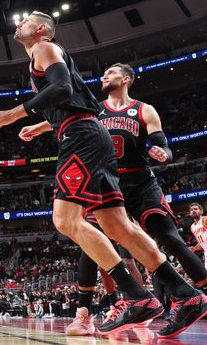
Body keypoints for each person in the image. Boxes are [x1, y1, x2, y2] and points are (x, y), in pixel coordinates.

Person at [0, 11, 207, 337]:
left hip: (81, 139)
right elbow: (83, 99)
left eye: (27, 19)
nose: (19, 24)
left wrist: (15, 114)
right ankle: (185, 295)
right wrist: (43, 124)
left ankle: (136, 296)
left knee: (66, 220)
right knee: (116, 225)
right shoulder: (44, 54)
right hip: (93, 135)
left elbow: (62, 88)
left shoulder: (44, 47)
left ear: (42, 29)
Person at [54, 63, 207, 336]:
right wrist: (37, 125)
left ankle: (197, 296)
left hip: (140, 181)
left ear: (125, 79)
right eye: (103, 73)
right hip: (106, 180)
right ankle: (84, 315)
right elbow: (65, 119)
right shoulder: (94, 108)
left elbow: (163, 144)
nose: (103, 76)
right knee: (89, 245)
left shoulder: (143, 109)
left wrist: (163, 153)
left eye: (109, 73)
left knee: (168, 236)